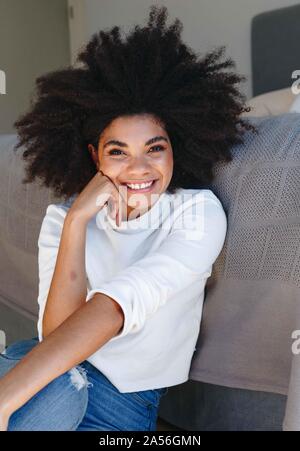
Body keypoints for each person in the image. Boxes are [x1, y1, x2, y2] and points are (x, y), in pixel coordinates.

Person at [0, 5, 255, 431]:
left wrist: (5, 400)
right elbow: (56, 335)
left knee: (64, 390)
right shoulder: (64, 218)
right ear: (94, 156)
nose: (139, 169)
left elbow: (117, 307)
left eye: (154, 148)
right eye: (118, 151)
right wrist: (78, 221)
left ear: (176, 148)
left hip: (123, 404)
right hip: (41, 369)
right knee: (61, 387)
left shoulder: (196, 213)